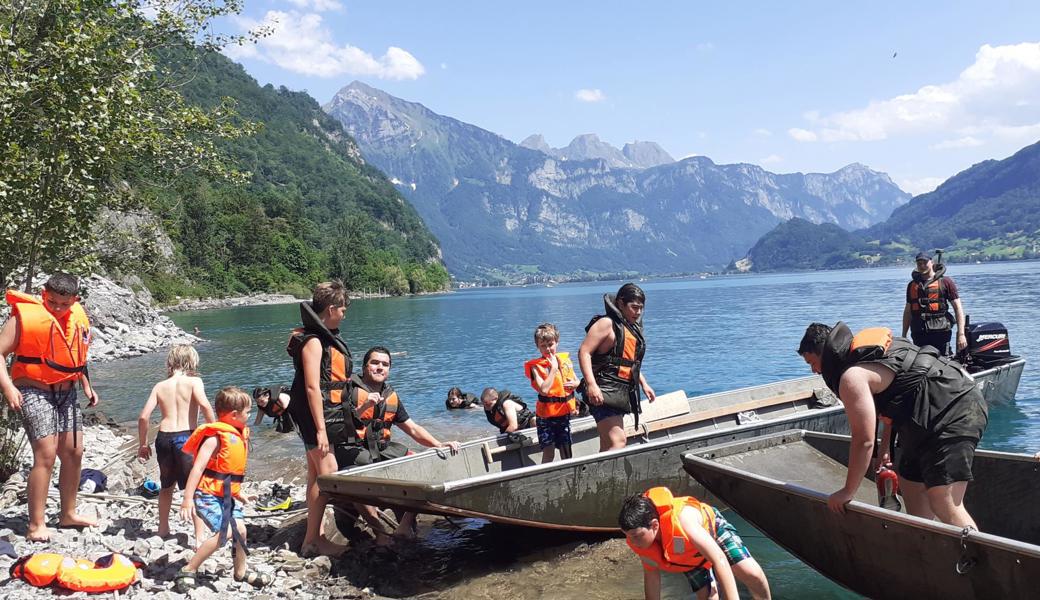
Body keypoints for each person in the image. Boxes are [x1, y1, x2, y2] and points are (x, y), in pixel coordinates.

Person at [798, 322, 988, 528]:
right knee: (911, 486)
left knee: (945, 503)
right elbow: (895, 400)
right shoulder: (869, 358)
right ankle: (926, 551)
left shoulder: (852, 377)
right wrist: (885, 449)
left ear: (824, 355)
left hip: (954, 408)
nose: (814, 371)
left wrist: (848, 491)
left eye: (813, 363)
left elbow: (864, 441)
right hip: (925, 417)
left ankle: (979, 558)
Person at [0, 273, 99, 542]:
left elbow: (76, 355)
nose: (56, 308)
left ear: (74, 300)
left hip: (67, 392)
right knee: (45, 453)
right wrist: (9, 387)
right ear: (44, 294)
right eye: (51, 301)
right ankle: (36, 525)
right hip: (33, 390)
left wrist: (87, 385)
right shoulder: (23, 316)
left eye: (63, 304)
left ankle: (68, 514)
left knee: (74, 452)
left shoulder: (77, 316)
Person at [334, 346, 461, 542]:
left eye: (385, 364)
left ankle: (404, 527)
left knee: (420, 468)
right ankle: (379, 531)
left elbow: (412, 428)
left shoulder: (390, 395)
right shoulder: (348, 390)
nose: (380, 368)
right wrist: (365, 405)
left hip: (383, 450)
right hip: (355, 452)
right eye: (375, 363)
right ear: (365, 366)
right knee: (357, 483)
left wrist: (438, 444)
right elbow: (340, 426)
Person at [176, 386, 271, 592]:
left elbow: (229, 473)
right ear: (234, 415)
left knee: (241, 530)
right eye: (247, 413)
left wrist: (241, 493)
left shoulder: (236, 434)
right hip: (207, 495)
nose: (250, 416)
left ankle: (241, 571)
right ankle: (189, 568)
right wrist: (187, 499)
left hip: (226, 495)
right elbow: (197, 468)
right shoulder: (215, 438)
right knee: (226, 532)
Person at [285, 280, 352, 557]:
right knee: (329, 475)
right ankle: (315, 539)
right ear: (332, 309)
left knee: (315, 476)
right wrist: (321, 430)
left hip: (316, 414)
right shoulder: (313, 342)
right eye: (343, 309)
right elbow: (313, 387)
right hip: (313, 416)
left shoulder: (321, 338)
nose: (345, 314)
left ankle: (313, 539)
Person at [619, 487, 771, 600]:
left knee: (750, 572)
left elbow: (719, 559)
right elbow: (652, 577)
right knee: (708, 597)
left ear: (654, 525)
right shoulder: (641, 542)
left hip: (712, 531)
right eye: (627, 536)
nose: (631, 542)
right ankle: (714, 588)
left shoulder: (684, 521)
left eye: (635, 536)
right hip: (687, 555)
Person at [136, 345, 215, 540]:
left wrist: (143, 444)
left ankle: (163, 529)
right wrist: (215, 432)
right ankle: (199, 536)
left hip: (164, 438)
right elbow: (205, 405)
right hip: (186, 438)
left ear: (170, 363)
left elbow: (143, 417)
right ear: (191, 361)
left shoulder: (160, 386)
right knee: (194, 487)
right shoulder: (194, 382)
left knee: (166, 485)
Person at [578, 283, 655, 452]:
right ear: (620, 303)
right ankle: (609, 478)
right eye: (634, 307)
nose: (639, 312)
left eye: (641, 308)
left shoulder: (630, 328)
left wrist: (644, 384)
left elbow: (628, 361)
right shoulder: (606, 324)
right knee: (618, 441)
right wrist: (591, 385)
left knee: (607, 445)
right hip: (602, 389)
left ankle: (597, 477)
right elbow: (584, 352)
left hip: (619, 392)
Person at [524, 323, 579, 462]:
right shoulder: (537, 367)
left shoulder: (564, 361)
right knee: (549, 452)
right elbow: (543, 390)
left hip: (564, 414)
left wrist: (575, 384)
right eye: (543, 346)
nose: (548, 349)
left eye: (551, 344)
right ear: (538, 347)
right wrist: (553, 369)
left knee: (566, 450)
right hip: (546, 418)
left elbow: (577, 381)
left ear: (557, 343)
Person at [902, 251, 967, 356]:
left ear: (931, 262)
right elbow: (908, 312)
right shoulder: (912, 285)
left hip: (941, 332)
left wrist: (961, 334)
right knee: (920, 363)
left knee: (943, 361)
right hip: (919, 333)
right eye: (919, 263)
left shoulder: (945, 282)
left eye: (925, 262)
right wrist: (904, 336)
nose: (922, 265)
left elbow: (958, 308)